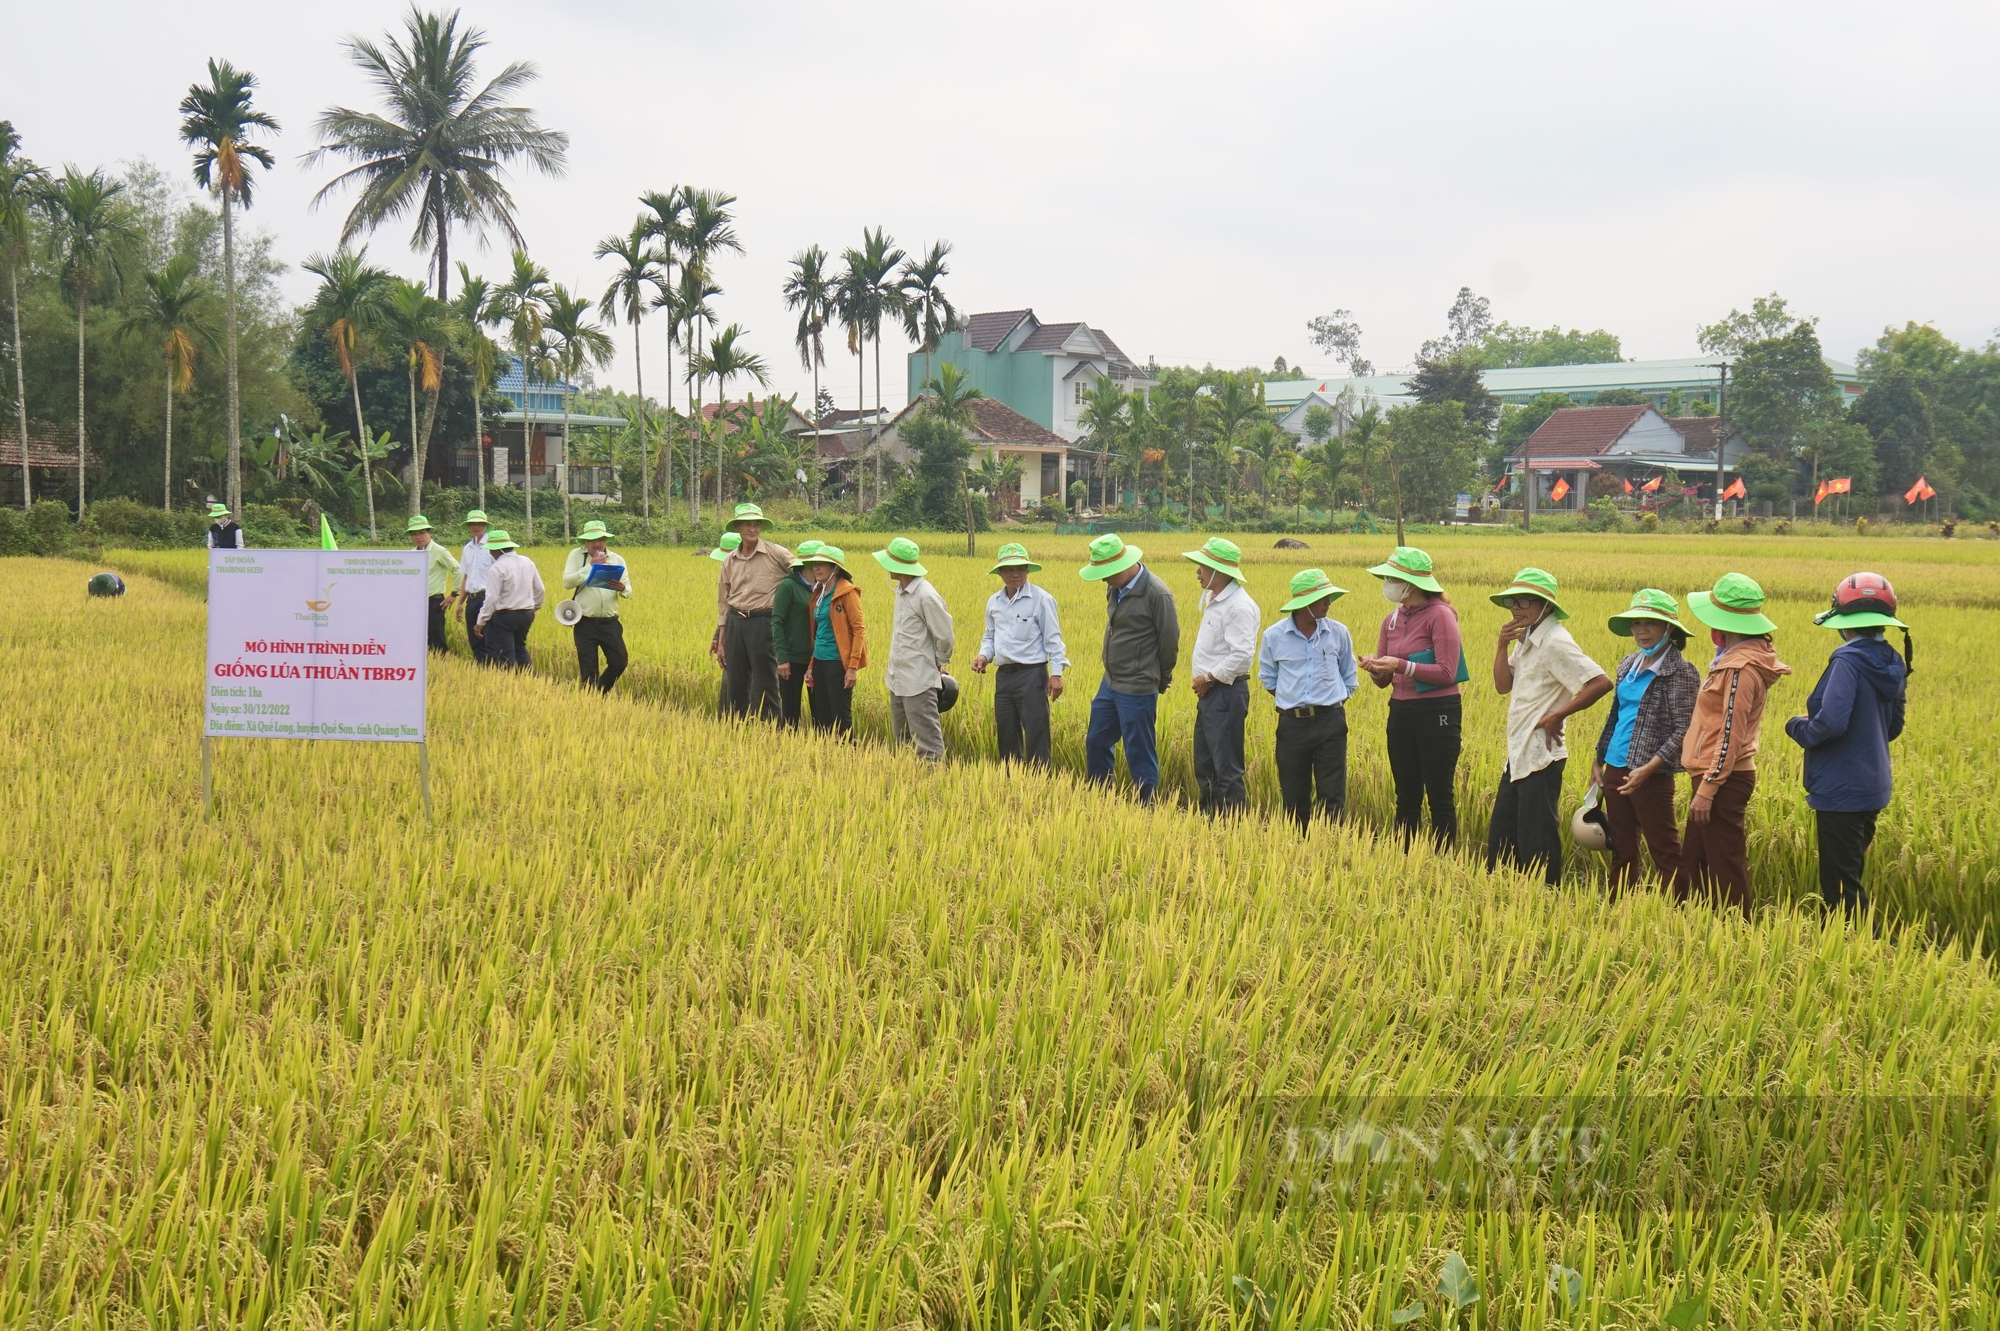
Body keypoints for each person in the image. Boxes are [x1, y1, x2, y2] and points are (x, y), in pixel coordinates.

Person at [1785, 572, 1910, 919]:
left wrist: (1796, 726)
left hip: (1841, 788)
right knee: (1849, 875)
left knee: (1840, 888)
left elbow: (1830, 723)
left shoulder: (1847, 661)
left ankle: (1850, 956)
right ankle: (1853, 951)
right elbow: (1893, 727)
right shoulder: (1893, 660)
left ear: (1844, 621)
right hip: (1873, 785)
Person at [1486, 568, 1612, 885]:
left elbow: (1600, 682)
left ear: (1546, 605)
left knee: (1537, 841)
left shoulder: (1555, 641)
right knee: (1502, 838)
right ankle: (1504, 899)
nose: (1516, 607)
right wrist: (1501, 646)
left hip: (1542, 756)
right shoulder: (1527, 638)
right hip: (1519, 754)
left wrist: (1559, 715)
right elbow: (1503, 685)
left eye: (1525, 601)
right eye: (1513, 601)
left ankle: (1545, 902)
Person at [1674, 572, 1790, 914]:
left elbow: (1729, 735)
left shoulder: (1741, 669)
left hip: (1724, 779)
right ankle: (1688, 926)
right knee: (1693, 860)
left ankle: (1738, 935)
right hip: (1713, 775)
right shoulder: (1733, 662)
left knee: (1725, 863)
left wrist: (1708, 789)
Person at [1589, 590, 1701, 893]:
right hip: (1616, 767)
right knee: (1622, 848)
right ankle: (1618, 909)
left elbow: (1684, 729)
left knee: (1664, 849)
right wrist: (1599, 758)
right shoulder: (1628, 664)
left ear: (1669, 629)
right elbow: (1615, 716)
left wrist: (1650, 768)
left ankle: (1678, 915)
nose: (1641, 631)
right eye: (1637, 623)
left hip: (1651, 775)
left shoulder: (1682, 672)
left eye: (1650, 623)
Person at [1359, 547, 1464, 849]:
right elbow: (1384, 681)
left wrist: (1400, 665)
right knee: (1405, 793)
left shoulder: (1441, 616)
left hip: (1437, 712)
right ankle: (1405, 858)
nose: (1388, 583)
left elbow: (1447, 671)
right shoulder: (1391, 620)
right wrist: (1374, 668)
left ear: (1411, 583)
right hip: (1401, 711)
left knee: (1439, 793)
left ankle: (1443, 860)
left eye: (1393, 577)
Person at [1080, 533, 1180, 804]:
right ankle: (1100, 798)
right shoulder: (1114, 587)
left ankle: (1145, 807)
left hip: (1137, 686)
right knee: (1096, 741)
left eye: (1106, 572)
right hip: (1110, 683)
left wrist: (1161, 678)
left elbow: (1169, 642)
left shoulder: (1157, 594)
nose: (1102, 578)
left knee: (1139, 750)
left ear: (1123, 566)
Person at [1260, 569, 1358, 832]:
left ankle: (1332, 849)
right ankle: (1297, 850)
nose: (1328, 602)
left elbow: (1350, 676)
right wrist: (1294, 701)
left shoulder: (1339, 632)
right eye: (1323, 598)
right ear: (1304, 603)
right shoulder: (1274, 636)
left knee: (1333, 795)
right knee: (1294, 795)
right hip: (1292, 724)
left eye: (1329, 597)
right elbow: (1269, 679)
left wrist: (1331, 703)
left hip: (1330, 722)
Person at [1182, 537, 1260, 814]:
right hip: (1212, 694)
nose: (1198, 571)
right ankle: (1209, 823)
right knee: (1205, 764)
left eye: (1202, 566)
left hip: (1225, 694)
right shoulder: (1215, 599)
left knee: (1226, 768)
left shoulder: (1239, 605)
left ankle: (1232, 830)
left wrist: (1209, 677)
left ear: (1219, 571)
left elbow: (1242, 655)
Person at [972, 543, 1068, 766]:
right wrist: (983, 656)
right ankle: (1011, 784)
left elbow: (1053, 640)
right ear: (1000, 572)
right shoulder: (994, 602)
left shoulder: (1041, 600)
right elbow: (990, 635)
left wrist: (1056, 674)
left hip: (1032, 676)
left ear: (1027, 570)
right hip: (1004, 676)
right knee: (1006, 732)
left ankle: (1038, 785)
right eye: (1008, 569)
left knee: (1036, 734)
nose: (1015, 573)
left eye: (1020, 568)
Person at [875, 537, 954, 760]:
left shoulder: (925, 595)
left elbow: (945, 635)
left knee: (927, 743)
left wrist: (939, 664)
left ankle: (932, 786)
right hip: (897, 677)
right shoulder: (902, 589)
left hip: (919, 680)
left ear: (898, 565)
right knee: (902, 742)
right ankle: (909, 785)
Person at [713, 503, 794, 720]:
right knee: (736, 681)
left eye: (756, 524)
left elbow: (802, 575)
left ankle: (773, 729)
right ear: (738, 527)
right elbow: (723, 602)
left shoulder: (776, 553)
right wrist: (722, 641)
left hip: (764, 623)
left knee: (768, 681)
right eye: (748, 524)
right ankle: (738, 727)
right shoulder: (730, 560)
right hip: (736, 623)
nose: (753, 529)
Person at [561, 519, 632, 693]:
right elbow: (567, 582)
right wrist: (590, 567)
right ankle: (590, 702)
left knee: (619, 661)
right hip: (585, 623)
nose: (597, 543)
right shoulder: (577, 556)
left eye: (600, 538)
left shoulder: (617, 559)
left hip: (610, 622)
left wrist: (622, 588)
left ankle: (599, 692)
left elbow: (628, 588)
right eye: (592, 540)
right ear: (585, 541)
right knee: (589, 669)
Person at [802, 545, 866, 734]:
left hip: (838, 663)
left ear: (835, 569)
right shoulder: (819, 594)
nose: (816, 569)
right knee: (822, 716)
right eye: (815, 565)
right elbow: (819, 633)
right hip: (820, 661)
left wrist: (852, 668)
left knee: (841, 717)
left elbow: (859, 630)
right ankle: (828, 756)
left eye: (822, 565)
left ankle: (849, 757)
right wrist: (811, 666)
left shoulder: (848, 593)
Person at [772, 539, 826, 727]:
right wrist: (782, 658)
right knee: (790, 712)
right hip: (792, 658)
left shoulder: (824, 587)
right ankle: (788, 749)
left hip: (816, 658)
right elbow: (776, 622)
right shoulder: (788, 586)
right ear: (809, 563)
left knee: (820, 711)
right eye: (819, 562)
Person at [474, 530, 543, 669]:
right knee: (520, 648)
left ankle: (509, 683)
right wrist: (534, 609)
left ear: (498, 550)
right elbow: (540, 589)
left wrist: (481, 621)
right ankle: (529, 681)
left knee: (505, 654)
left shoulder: (497, 568)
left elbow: (491, 598)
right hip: (526, 614)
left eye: (491, 550)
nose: (490, 553)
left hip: (505, 616)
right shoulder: (527, 562)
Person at [407, 514, 460, 654]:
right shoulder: (411, 554)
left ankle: (442, 664)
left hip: (434, 601)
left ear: (430, 533)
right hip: (416, 602)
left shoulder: (440, 551)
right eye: (414, 534)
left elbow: (458, 570)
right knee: (419, 637)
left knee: (436, 636)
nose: (418, 537)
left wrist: (454, 594)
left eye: (422, 533)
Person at [459, 509, 495, 663]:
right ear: (468, 526)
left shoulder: (493, 546)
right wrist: (460, 602)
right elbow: (466, 576)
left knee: (489, 638)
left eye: (479, 523)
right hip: (472, 600)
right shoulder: (467, 548)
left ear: (485, 525)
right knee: (474, 640)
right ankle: (481, 671)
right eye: (472, 524)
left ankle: (494, 672)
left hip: (488, 598)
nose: (476, 527)